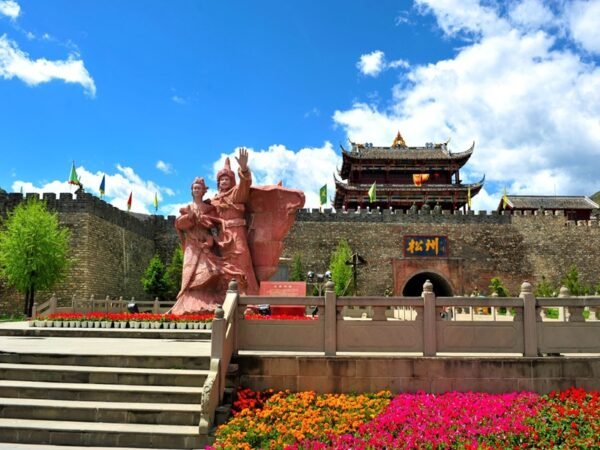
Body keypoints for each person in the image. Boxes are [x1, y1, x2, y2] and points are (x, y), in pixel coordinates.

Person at [169, 177, 243, 314]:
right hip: (192, 244)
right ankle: (188, 302)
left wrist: (205, 224)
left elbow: (214, 225)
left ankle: (205, 300)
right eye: (194, 188)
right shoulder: (186, 208)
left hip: (206, 243)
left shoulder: (209, 208)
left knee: (210, 271)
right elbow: (179, 225)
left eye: (199, 188)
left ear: (204, 191)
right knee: (189, 273)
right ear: (191, 191)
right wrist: (190, 217)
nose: (196, 190)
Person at [211, 148, 260, 294]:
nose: (224, 181)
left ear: (232, 181)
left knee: (242, 259)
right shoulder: (214, 200)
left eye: (226, 179)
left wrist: (244, 169)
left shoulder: (236, 194)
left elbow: (245, 184)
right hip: (222, 237)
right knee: (225, 265)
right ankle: (224, 294)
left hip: (237, 233)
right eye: (221, 179)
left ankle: (250, 295)